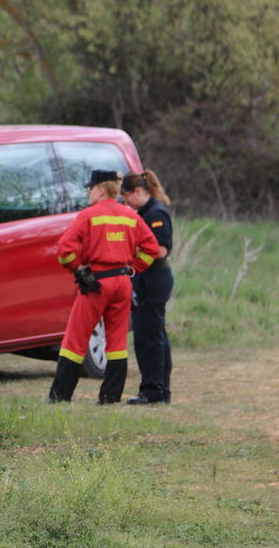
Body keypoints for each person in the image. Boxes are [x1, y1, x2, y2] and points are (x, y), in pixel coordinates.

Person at [49, 170, 161, 403]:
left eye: (90, 188)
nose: (88, 193)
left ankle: (60, 396)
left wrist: (77, 269)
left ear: (100, 189)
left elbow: (64, 251)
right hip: (122, 282)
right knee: (117, 341)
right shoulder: (130, 215)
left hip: (97, 283)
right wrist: (134, 268)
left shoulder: (89, 215)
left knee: (75, 339)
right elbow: (152, 248)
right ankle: (110, 397)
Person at [121, 170, 174, 404]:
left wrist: (132, 257)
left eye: (126, 197)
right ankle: (157, 389)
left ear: (139, 191)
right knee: (153, 334)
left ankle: (154, 390)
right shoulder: (144, 212)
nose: (125, 203)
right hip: (147, 279)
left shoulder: (155, 214)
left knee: (149, 337)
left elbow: (161, 249)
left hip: (153, 280)